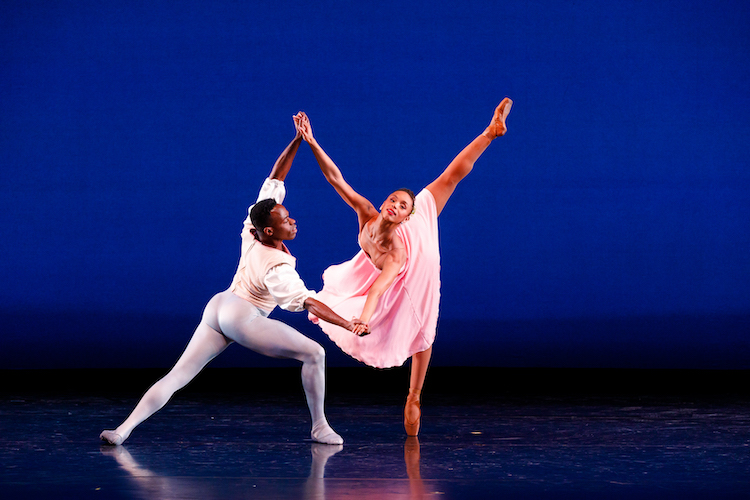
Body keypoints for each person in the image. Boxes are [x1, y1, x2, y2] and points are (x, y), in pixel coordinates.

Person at [100, 115, 368, 447]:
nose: (293, 220)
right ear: (270, 230)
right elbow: (307, 302)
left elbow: (276, 176)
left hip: (218, 306)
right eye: (286, 220)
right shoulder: (277, 265)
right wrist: (346, 323)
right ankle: (320, 427)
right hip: (242, 315)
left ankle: (122, 430)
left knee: (179, 375)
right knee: (314, 353)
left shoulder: (252, 225)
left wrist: (299, 140)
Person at [295, 98, 512, 436]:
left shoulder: (404, 238)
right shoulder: (367, 213)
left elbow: (379, 289)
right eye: (393, 200)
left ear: (407, 215)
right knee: (357, 301)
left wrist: (363, 319)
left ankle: (414, 396)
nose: (395, 205)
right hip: (376, 265)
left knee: (424, 328)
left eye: (402, 205)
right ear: (385, 203)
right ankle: (491, 131)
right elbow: (336, 179)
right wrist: (312, 142)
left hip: (417, 262)